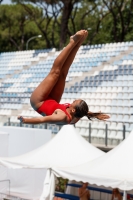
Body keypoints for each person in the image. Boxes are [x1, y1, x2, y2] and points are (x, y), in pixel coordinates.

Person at [18, 30, 110, 125]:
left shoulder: (62, 117)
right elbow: (83, 113)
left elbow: (42, 120)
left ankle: (72, 42)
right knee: (63, 74)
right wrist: (94, 115)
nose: (71, 102)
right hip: (53, 101)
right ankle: (78, 44)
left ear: (73, 110)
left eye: (74, 102)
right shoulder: (77, 114)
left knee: (55, 72)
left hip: (39, 102)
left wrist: (25, 120)